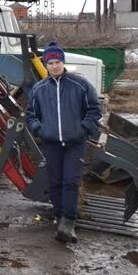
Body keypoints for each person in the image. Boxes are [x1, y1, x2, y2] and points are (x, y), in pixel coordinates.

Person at [25, 41, 102, 244]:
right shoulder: (39, 89)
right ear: (46, 65)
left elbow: (94, 110)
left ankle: (68, 222)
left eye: (57, 62)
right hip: (51, 142)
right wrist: (39, 130)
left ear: (63, 62)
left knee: (71, 181)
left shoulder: (80, 85)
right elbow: (31, 114)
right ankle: (59, 218)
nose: (54, 66)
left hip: (75, 142)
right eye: (50, 63)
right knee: (56, 182)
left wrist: (83, 129)